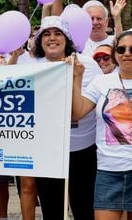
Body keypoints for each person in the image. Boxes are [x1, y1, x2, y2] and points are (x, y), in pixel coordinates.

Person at [14, 16, 101, 220]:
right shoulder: (31, 67)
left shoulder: (87, 65)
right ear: (39, 41)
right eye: (46, 34)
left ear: (67, 39)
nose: (52, 38)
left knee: (85, 209)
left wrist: (74, 77)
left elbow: (82, 110)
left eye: (57, 33)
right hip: (48, 152)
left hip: (83, 150)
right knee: (52, 211)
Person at [72, 30, 132, 219]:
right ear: (115, 54)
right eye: (121, 49)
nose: (127, 53)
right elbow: (77, 113)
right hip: (109, 170)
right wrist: (77, 77)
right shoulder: (101, 82)